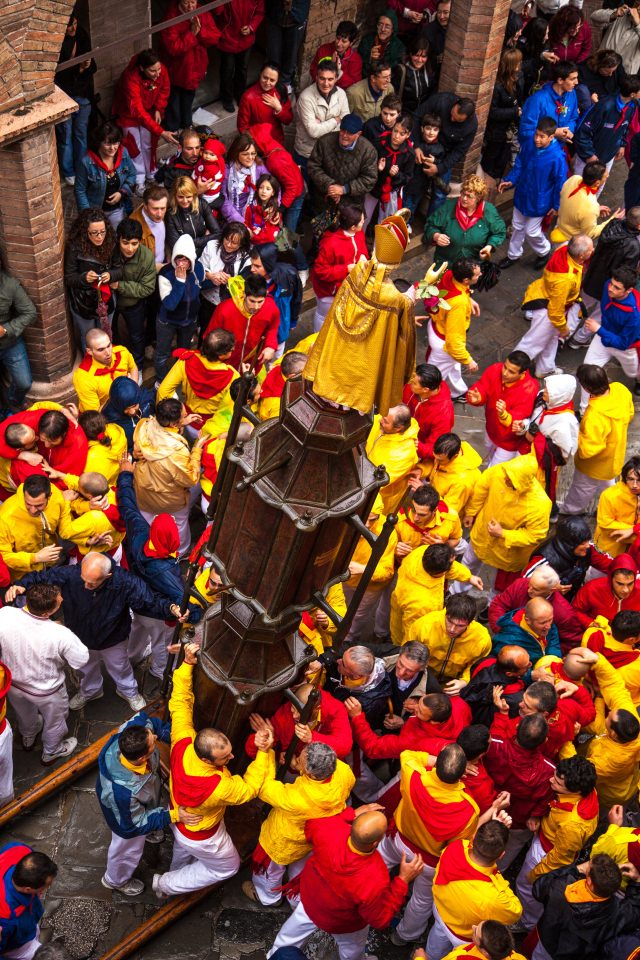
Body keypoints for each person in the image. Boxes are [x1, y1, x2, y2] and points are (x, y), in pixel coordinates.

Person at [153, 642, 272, 896]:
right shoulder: (218, 787)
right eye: (224, 757)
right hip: (204, 835)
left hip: (179, 815)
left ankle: (176, 870)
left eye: (229, 751)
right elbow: (250, 789)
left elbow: (180, 702)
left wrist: (186, 665)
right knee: (227, 868)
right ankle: (164, 884)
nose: (231, 756)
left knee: (182, 850)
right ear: (208, 760)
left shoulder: (183, 740)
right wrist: (263, 752)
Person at [6, 553, 181, 712]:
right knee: (86, 669)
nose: (86, 586)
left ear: (108, 576)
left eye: (92, 582)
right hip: (81, 636)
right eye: (83, 580)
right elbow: (42, 577)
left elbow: (148, 599)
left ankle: (129, 691)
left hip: (113, 638)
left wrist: (170, 608)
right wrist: (21, 585)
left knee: (120, 667)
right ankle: (90, 691)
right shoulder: (71, 573)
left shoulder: (125, 581)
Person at [380, 744, 509, 946]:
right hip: (430, 862)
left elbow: (408, 753)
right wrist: (493, 809)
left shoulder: (413, 774)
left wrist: (442, 762)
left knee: (378, 864)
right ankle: (403, 937)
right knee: (421, 900)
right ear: (461, 775)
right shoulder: (468, 808)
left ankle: (370, 903)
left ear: (437, 762)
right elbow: (459, 845)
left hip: (399, 840)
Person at [267, 807, 423, 959]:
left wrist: (350, 814)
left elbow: (312, 826)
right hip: (343, 923)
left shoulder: (331, 830)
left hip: (311, 900)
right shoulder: (375, 875)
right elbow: (379, 919)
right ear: (376, 842)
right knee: (352, 949)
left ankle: (274, 956)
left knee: (290, 936)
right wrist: (403, 880)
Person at [97, 711, 201, 897]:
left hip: (143, 801)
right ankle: (115, 879)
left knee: (150, 814)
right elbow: (134, 825)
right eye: (153, 743)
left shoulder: (134, 731)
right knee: (127, 850)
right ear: (141, 758)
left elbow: (150, 721)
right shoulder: (122, 794)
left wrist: (174, 738)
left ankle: (152, 831)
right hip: (125, 820)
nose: (154, 737)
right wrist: (173, 815)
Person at [243, 742, 355, 907]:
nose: (297, 759)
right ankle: (297, 900)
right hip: (310, 841)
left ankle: (268, 897)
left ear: (310, 773)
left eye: (300, 759)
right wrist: (296, 764)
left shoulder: (296, 798)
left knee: (271, 869)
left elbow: (264, 788)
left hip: (286, 840)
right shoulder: (344, 771)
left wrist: (267, 752)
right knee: (299, 872)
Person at [117, 465, 201, 684]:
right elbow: (180, 597)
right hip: (157, 613)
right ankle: (159, 669)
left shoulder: (140, 533)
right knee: (160, 642)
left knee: (136, 630)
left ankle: (132, 657)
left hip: (137, 603)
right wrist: (196, 616)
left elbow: (128, 506)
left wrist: (125, 475)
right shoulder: (164, 569)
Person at [0, 584, 87, 764]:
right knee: (55, 722)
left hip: (15, 685)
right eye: (59, 602)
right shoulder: (61, 634)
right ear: (46, 613)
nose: (62, 600)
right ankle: (52, 751)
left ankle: (28, 736)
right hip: (47, 691)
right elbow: (80, 660)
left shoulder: (5, 614)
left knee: (23, 714)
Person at [515, 754, 599, 931]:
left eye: (558, 782)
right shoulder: (586, 790)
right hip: (548, 838)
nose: (550, 780)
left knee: (527, 888)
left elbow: (559, 858)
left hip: (546, 853)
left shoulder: (573, 825)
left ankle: (528, 923)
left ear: (575, 791)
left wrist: (535, 874)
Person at [456, 455, 551, 595]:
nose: (505, 478)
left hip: (507, 552)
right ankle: (456, 593)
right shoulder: (499, 472)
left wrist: (503, 534)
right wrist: (471, 512)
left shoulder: (540, 504)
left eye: (511, 479)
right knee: (468, 563)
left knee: (500, 585)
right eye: (507, 474)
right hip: (482, 534)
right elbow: (481, 490)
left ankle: (492, 607)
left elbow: (536, 535)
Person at [426, 821, 522, 960]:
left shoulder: (455, 847)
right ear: (502, 855)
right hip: (465, 935)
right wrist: (496, 876)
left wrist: (489, 834)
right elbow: (516, 912)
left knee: (436, 941)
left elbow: (468, 843)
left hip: (441, 913)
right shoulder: (495, 897)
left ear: (474, 837)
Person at [484, 713, 556, 871]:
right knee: (510, 848)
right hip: (518, 821)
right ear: (544, 741)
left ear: (516, 728)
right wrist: (535, 815)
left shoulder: (493, 745)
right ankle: (496, 873)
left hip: (486, 809)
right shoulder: (549, 771)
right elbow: (547, 799)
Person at [516, 235, 594, 378]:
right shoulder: (565, 279)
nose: (593, 250)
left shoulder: (565, 248)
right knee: (532, 343)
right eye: (590, 249)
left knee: (550, 339)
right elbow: (555, 311)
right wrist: (563, 329)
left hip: (545, 297)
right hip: (548, 311)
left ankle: (544, 368)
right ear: (582, 255)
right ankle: (513, 369)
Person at [133, 398, 203, 555]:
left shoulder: (144, 425)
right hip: (168, 499)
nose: (186, 416)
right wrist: (197, 448)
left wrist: (182, 423)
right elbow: (191, 479)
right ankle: (182, 552)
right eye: (183, 415)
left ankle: (153, 543)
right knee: (179, 522)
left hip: (144, 491)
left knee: (150, 521)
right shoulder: (175, 452)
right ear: (173, 424)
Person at [561, 364, 634, 515]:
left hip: (594, 465)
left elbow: (588, 450)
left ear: (586, 388)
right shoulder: (620, 389)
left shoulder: (595, 416)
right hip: (614, 456)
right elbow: (630, 413)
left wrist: (575, 436)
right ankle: (613, 508)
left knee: (581, 489)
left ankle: (571, 511)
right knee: (608, 484)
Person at [498, 116, 567, 269]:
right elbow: (520, 165)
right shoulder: (530, 144)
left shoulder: (557, 158)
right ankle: (513, 255)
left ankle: (544, 251)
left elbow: (559, 184)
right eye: (536, 134)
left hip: (540, 200)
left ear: (551, 137)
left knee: (532, 231)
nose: (537, 139)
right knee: (517, 226)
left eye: (542, 136)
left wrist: (556, 205)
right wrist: (511, 180)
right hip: (523, 193)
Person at [533, 855, 624, 960]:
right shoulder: (618, 909)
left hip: (547, 944)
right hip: (573, 954)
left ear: (589, 881)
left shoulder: (562, 889)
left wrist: (576, 869)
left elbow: (538, 887)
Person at [111, 50, 178, 190]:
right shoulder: (131, 78)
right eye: (153, 71)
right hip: (129, 116)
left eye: (159, 69)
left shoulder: (160, 70)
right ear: (142, 68)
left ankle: (151, 172)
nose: (158, 73)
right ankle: (138, 178)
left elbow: (165, 89)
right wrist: (161, 132)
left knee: (148, 145)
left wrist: (159, 108)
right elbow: (137, 110)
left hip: (149, 112)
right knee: (134, 147)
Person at [391, 542, 480, 643]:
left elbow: (451, 566)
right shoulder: (421, 604)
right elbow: (412, 632)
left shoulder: (424, 552)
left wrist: (469, 577)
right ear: (442, 573)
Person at [514, 373, 579, 504]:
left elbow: (561, 454)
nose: (544, 392)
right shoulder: (544, 400)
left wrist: (533, 436)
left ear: (558, 396)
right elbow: (533, 418)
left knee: (541, 492)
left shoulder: (566, 422)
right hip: (526, 453)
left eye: (548, 392)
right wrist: (524, 425)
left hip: (542, 466)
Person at [466, 352, 539, 467]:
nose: (505, 373)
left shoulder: (529, 389)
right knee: (490, 453)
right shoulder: (495, 369)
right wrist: (478, 397)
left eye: (511, 372)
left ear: (522, 373)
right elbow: (482, 386)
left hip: (509, 441)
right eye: (505, 367)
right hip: (491, 428)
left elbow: (520, 417)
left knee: (495, 471)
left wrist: (504, 415)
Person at [579, 265, 640, 402]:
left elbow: (624, 343)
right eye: (611, 284)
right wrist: (601, 331)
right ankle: (584, 410)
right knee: (587, 372)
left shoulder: (634, 317)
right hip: (603, 337)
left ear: (629, 290)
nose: (610, 289)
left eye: (617, 287)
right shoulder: (608, 285)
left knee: (633, 372)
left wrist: (599, 330)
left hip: (625, 347)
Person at [246, 683, 352, 761]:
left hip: (323, 768)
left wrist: (312, 738)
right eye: (293, 707)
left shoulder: (335, 709)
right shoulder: (284, 715)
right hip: (292, 772)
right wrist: (261, 740)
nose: (294, 715)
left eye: (300, 712)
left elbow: (345, 747)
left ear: (317, 708)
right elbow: (253, 753)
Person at [64, 208, 121, 352]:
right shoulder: (74, 247)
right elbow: (69, 277)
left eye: (102, 231)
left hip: (105, 299)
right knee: (89, 338)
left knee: (106, 335)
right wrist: (84, 278)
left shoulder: (111, 241)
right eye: (94, 233)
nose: (99, 237)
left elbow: (119, 269)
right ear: (85, 232)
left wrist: (111, 275)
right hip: (83, 301)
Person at [489, 564, 583, 651]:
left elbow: (570, 641)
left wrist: (542, 652)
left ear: (552, 590)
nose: (529, 590)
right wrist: (503, 632)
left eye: (536, 589)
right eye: (530, 584)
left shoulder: (564, 613)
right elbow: (498, 605)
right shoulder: (521, 585)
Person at [157, 329, 238, 430]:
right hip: (212, 425)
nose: (233, 351)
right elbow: (230, 408)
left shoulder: (187, 360)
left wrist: (176, 420)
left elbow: (163, 390)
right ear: (221, 355)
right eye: (231, 350)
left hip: (188, 420)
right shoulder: (232, 376)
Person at [408, 595, 492, 692]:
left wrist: (465, 681)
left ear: (470, 622)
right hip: (421, 675)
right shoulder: (423, 625)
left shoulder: (482, 639)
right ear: (446, 613)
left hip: (454, 684)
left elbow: (477, 665)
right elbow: (408, 653)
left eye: (460, 625)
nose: (452, 629)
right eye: (449, 621)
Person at [0, 475, 80, 577]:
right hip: (25, 575)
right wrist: (36, 558)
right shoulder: (5, 517)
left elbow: (65, 527)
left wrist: (85, 540)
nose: (33, 510)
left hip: (54, 563)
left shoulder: (56, 496)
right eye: (28, 504)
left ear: (49, 497)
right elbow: (3, 557)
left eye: (39, 505)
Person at [424, 258, 481, 400]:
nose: (480, 275)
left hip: (437, 325)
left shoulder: (450, 274)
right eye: (477, 275)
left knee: (452, 366)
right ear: (466, 280)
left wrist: (469, 299)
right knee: (432, 378)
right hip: (445, 344)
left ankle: (457, 391)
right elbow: (454, 343)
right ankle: (424, 401)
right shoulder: (459, 304)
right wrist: (468, 360)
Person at [159, 0, 220, 131]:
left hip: (195, 69)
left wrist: (200, 31)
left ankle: (186, 124)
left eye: (193, 2)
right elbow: (173, 48)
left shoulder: (201, 11)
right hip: (177, 71)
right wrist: (192, 34)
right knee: (173, 102)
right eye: (186, 3)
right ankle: (173, 128)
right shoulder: (171, 18)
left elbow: (214, 36)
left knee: (188, 99)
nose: (190, 7)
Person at [424, 174, 507, 267]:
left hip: (470, 268)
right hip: (445, 264)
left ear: (478, 198)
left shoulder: (488, 211)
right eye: (463, 193)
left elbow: (500, 232)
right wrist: (436, 236)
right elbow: (430, 226)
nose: (464, 198)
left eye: (469, 196)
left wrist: (489, 246)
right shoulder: (449, 207)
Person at [154, 235, 205, 382]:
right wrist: (180, 281)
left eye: (185, 260)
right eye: (178, 259)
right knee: (163, 354)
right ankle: (161, 381)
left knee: (184, 351)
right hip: (167, 321)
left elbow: (199, 287)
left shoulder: (198, 269)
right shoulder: (166, 273)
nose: (181, 264)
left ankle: (179, 377)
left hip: (189, 321)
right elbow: (170, 304)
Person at [205, 273, 279, 372]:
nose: (256, 307)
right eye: (252, 301)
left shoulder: (271, 308)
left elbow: (272, 328)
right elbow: (209, 336)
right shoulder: (225, 309)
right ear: (244, 294)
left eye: (260, 301)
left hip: (252, 363)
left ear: (266, 293)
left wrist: (270, 346)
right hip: (225, 364)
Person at [415, 94, 479, 208]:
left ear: (467, 119)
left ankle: (432, 225)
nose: (451, 119)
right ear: (455, 103)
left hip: (445, 157)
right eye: (451, 114)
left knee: (440, 195)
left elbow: (459, 151)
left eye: (457, 120)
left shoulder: (471, 126)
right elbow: (417, 117)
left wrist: (440, 168)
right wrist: (415, 146)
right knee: (414, 188)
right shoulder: (442, 100)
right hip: (424, 147)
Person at [310, 204, 367, 332]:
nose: (364, 222)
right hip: (329, 291)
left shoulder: (359, 234)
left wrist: (363, 259)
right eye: (362, 221)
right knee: (323, 316)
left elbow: (361, 251)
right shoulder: (330, 243)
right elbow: (320, 270)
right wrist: (346, 269)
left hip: (347, 286)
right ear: (353, 227)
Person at [111, 217, 157, 372]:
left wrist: (119, 285)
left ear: (140, 242)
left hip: (134, 305)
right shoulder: (110, 252)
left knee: (137, 337)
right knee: (111, 334)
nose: (130, 248)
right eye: (125, 243)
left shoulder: (146, 257)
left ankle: (137, 369)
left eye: (134, 244)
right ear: (118, 240)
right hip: (111, 303)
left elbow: (147, 288)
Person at [526, 517, 612, 600]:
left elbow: (611, 564)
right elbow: (523, 586)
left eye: (588, 541)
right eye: (582, 543)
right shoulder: (544, 560)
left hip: (572, 597)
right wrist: (551, 590)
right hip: (548, 605)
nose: (588, 545)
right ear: (569, 545)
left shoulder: (588, 550)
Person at [574, 75, 640, 182]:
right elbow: (583, 132)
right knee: (579, 188)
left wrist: (621, 145)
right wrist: (589, 155)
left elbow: (625, 127)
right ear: (632, 94)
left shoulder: (632, 106)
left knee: (597, 188)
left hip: (608, 157)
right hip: (589, 159)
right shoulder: (604, 106)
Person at [307, 114, 378, 212]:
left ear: (358, 134)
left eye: (350, 133)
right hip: (323, 200)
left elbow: (369, 179)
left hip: (351, 206)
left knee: (346, 227)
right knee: (320, 226)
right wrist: (330, 187)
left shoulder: (368, 151)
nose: (344, 135)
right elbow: (313, 167)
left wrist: (344, 189)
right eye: (343, 130)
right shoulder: (324, 141)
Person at [55, 9, 96, 178]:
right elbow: (57, 74)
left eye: (74, 24)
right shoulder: (57, 43)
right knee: (66, 136)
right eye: (68, 26)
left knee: (80, 133)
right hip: (64, 95)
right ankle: (69, 171)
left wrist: (85, 67)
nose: (72, 29)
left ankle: (81, 168)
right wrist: (77, 67)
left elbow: (93, 66)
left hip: (82, 93)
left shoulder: (82, 36)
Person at [75, 121, 136, 229]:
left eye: (116, 143)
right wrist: (88, 215)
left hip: (117, 209)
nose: (113, 148)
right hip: (95, 211)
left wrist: (122, 193)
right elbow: (80, 190)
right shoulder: (86, 162)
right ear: (99, 142)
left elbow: (132, 174)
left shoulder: (123, 154)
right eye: (108, 144)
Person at [0, 845, 57, 960]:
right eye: (45, 886)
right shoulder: (6, 915)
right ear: (28, 890)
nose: (45, 889)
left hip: (27, 923)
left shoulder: (20, 850)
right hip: (18, 946)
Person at [293, 60, 349, 177]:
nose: (326, 83)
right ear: (317, 77)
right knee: (303, 188)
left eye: (330, 79)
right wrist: (335, 120)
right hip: (307, 153)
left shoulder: (341, 94)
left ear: (336, 78)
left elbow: (346, 123)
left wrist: (322, 125)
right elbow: (313, 131)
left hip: (330, 152)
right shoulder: (306, 98)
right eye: (322, 78)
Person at [582, 206, 640, 317]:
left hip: (592, 276)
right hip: (609, 287)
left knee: (578, 307)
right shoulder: (633, 247)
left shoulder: (613, 225)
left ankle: (563, 332)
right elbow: (625, 273)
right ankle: (580, 335)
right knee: (598, 316)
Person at [249, 124, 306, 232]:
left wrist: (280, 209)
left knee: (288, 232)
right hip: (295, 187)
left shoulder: (275, 160)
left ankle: (291, 246)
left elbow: (292, 187)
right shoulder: (271, 147)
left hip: (295, 195)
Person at [480, 49, 525, 186]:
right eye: (518, 62)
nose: (520, 64)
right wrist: (514, 112)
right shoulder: (498, 86)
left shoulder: (518, 79)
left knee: (503, 160)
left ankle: (496, 184)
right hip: (496, 132)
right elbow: (492, 112)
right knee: (490, 161)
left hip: (509, 131)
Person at [365, 405, 419, 513]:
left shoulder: (403, 454)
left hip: (379, 497)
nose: (379, 420)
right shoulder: (384, 420)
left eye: (385, 421)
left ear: (398, 428)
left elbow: (379, 483)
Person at [460, 645, 531, 727]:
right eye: (526, 667)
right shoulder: (515, 699)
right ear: (509, 674)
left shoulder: (484, 662)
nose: (530, 664)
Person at [551, 161, 619, 247]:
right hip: (570, 243)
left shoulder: (574, 179)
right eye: (606, 176)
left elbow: (574, 205)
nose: (608, 176)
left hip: (560, 225)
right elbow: (591, 234)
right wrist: (612, 220)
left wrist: (596, 209)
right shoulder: (590, 207)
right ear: (597, 183)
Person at [363, 114, 415, 226]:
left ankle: (379, 243)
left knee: (385, 224)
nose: (396, 136)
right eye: (395, 131)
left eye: (402, 134)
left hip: (391, 192)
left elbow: (408, 177)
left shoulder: (409, 154)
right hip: (374, 187)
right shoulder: (379, 142)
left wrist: (396, 175)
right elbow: (366, 164)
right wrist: (378, 169)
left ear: (408, 135)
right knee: (364, 218)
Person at [0, 254, 36, 412]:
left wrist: (6, 329)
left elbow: (30, 312)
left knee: (24, 383)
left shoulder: (9, 284)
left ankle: (14, 401)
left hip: (8, 343)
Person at [198, 222, 252, 326]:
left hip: (230, 303)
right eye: (227, 239)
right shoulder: (212, 246)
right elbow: (199, 267)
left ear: (241, 244)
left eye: (234, 243)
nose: (228, 244)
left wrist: (230, 281)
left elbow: (244, 284)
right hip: (209, 299)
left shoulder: (246, 259)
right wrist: (210, 276)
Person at [215, 0, 264, 113]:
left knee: (242, 69)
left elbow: (260, 12)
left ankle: (240, 95)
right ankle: (226, 98)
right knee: (227, 70)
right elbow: (217, 11)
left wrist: (251, 27)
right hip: (227, 38)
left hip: (246, 39)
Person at [73, 328, 138, 414]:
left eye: (109, 345)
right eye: (101, 349)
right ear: (89, 351)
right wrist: (118, 400)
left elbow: (133, 368)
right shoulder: (83, 378)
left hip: (127, 405)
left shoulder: (122, 352)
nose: (108, 353)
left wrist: (132, 391)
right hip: (105, 413)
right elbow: (94, 414)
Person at [421, 432, 482, 516]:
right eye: (435, 457)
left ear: (455, 456)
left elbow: (448, 510)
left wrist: (424, 492)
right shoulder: (444, 455)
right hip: (435, 497)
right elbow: (435, 465)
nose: (436, 461)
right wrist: (421, 470)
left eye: (440, 460)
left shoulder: (462, 481)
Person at [519, 60, 580, 144]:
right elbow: (526, 131)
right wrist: (553, 133)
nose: (577, 82)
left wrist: (567, 131)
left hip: (557, 150)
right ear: (560, 80)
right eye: (572, 79)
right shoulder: (537, 100)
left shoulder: (571, 94)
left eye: (576, 78)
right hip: (537, 153)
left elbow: (573, 117)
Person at [573, 553, 640, 628]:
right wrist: (590, 623)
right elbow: (574, 610)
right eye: (620, 584)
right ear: (611, 579)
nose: (626, 590)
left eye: (630, 584)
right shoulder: (592, 589)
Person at [403, 364, 454, 461]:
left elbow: (435, 449)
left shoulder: (443, 413)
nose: (409, 383)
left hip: (415, 449)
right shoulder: (413, 387)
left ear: (425, 389)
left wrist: (415, 445)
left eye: (414, 383)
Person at [238, 62, 293, 146]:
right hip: (259, 144)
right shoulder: (248, 97)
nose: (267, 83)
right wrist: (253, 147)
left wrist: (279, 109)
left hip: (277, 142)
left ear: (277, 80)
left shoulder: (281, 90)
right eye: (265, 78)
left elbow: (288, 120)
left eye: (272, 80)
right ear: (260, 74)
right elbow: (242, 127)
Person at [595, 455, 640, 557]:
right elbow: (605, 524)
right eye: (630, 479)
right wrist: (635, 531)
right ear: (624, 477)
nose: (635, 485)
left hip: (635, 551)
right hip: (610, 550)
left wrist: (634, 530)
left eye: (639, 480)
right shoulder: (609, 496)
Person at [492, 596, 561, 661]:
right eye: (543, 623)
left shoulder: (545, 619)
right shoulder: (508, 641)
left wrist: (553, 660)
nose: (549, 626)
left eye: (550, 620)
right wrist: (532, 673)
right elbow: (508, 668)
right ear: (528, 621)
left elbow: (553, 641)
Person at [220, 134, 270, 224]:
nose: (250, 158)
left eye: (253, 153)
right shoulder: (226, 170)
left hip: (256, 213)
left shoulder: (259, 167)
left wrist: (273, 206)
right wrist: (240, 222)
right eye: (245, 154)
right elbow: (224, 200)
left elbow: (272, 185)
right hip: (234, 217)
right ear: (236, 154)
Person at [165, 176, 220, 257]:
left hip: (206, 251)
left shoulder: (202, 204)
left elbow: (218, 234)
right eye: (180, 197)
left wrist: (192, 242)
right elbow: (176, 245)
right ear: (174, 196)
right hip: (185, 256)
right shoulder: (171, 214)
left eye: (188, 197)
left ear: (194, 195)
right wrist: (206, 238)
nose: (185, 201)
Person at [264, 0, 310, 92]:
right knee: (273, 54)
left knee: (291, 55)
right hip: (274, 14)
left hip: (297, 16)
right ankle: (271, 82)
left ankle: (285, 84)